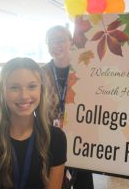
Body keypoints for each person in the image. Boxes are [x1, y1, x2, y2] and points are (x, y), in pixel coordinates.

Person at [0, 57, 67, 189]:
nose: (24, 96)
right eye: (14, 88)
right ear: (3, 91)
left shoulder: (56, 138)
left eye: (32, 86)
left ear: (41, 89)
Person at [42, 25, 94, 189]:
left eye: (60, 40)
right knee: (56, 181)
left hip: (80, 135)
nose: (55, 45)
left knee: (83, 181)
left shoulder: (83, 70)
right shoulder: (41, 73)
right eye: (51, 42)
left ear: (70, 42)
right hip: (51, 136)